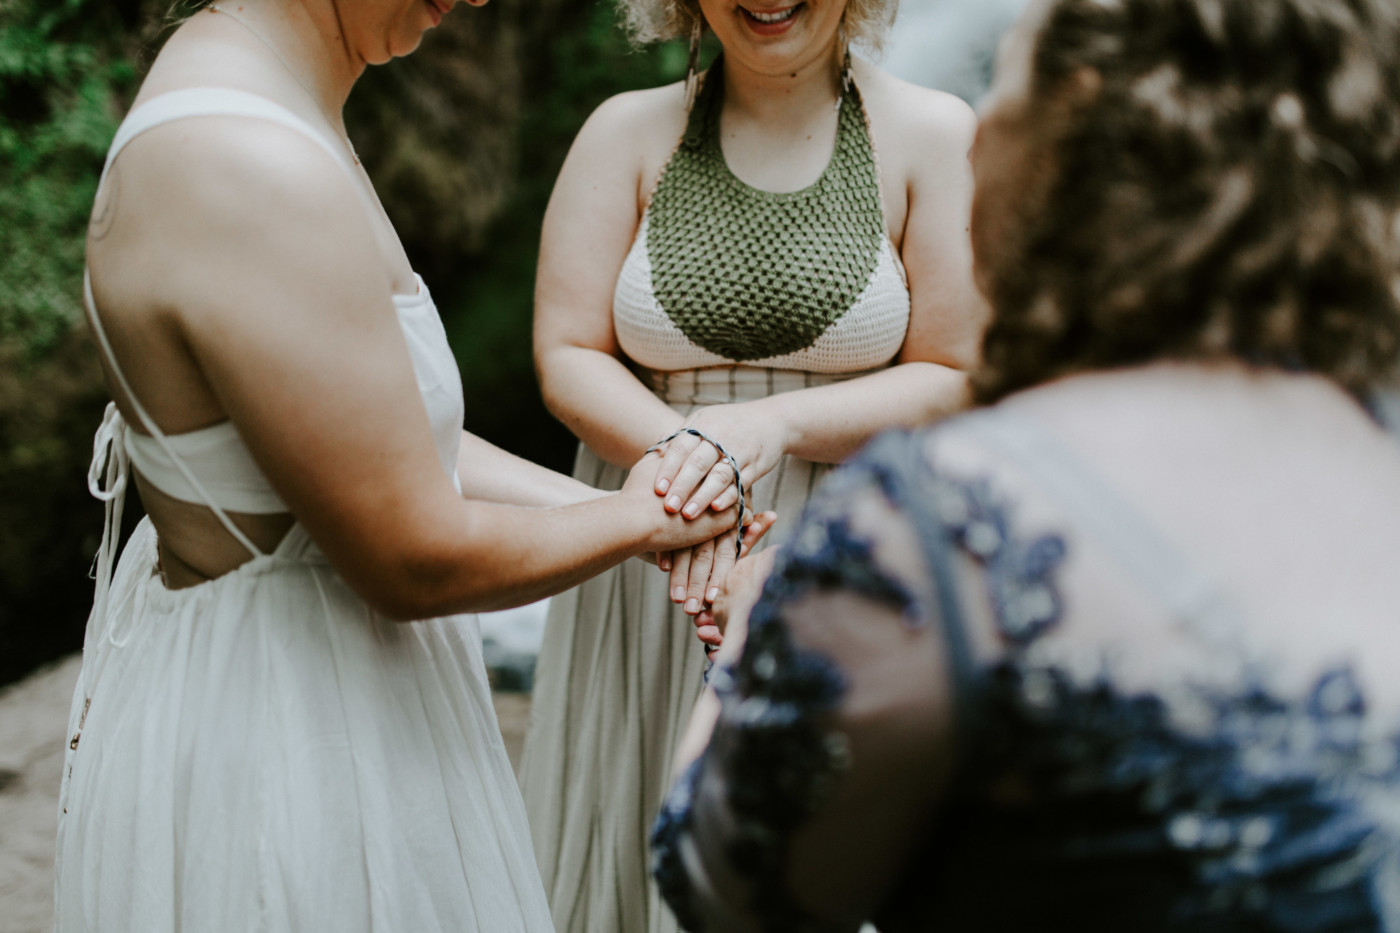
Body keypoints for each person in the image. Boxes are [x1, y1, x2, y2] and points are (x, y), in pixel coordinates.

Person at [653, 0, 1400, 928]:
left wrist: (764, 629)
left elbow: (722, 887)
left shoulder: (947, 516)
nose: (972, 138)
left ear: (1076, 129)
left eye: (1001, 79)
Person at [53, 0, 766, 930]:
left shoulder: (274, 93)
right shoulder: (244, 162)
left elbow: (381, 437)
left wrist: (657, 515)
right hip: (290, 745)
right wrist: (642, 520)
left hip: (328, 694)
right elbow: (409, 557)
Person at [518, 0, 986, 928]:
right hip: (649, 551)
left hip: (835, 557)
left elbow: (957, 375)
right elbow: (566, 353)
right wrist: (689, 478)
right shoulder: (624, 134)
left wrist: (767, 429)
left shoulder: (935, 135)